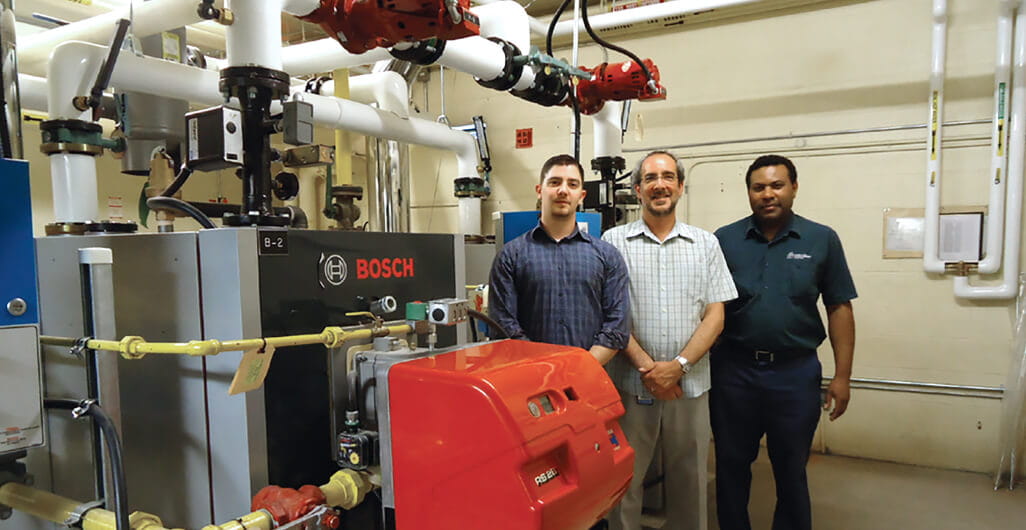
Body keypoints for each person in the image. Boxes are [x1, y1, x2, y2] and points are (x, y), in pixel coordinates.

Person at [711, 154, 856, 530]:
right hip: (733, 372)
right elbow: (707, 307)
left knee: (791, 470)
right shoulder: (724, 240)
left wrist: (843, 377)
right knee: (730, 466)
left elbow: (839, 307)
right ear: (748, 193)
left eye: (777, 185)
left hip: (795, 374)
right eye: (759, 187)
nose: (768, 194)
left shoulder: (821, 239)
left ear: (793, 188)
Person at [602, 151, 737, 530]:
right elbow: (610, 316)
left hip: (690, 386)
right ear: (637, 189)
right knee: (623, 480)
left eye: (667, 177)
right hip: (630, 384)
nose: (659, 184)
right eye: (650, 178)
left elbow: (716, 315)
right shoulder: (613, 242)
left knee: (690, 480)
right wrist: (649, 368)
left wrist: (677, 368)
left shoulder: (706, 244)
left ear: (680, 185)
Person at [488, 154, 629, 364]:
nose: (563, 190)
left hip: (588, 377)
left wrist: (583, 368)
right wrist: (544, 369)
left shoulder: (607, 255)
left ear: (581, 195)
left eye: (572, 184)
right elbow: (503, 325)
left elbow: (617, 325)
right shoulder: (511, 256)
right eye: (554, 183)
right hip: (531, 378)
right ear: (539, 190)